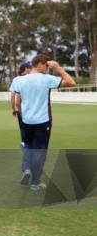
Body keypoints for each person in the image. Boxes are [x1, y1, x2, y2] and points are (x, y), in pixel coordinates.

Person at [13, 54, 75, 190]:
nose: (48, 68)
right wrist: (58, 68)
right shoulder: (47, 79)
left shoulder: (19, 80)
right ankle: (35, 183)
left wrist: (23, 115)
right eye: (47, 65)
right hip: (42, 121)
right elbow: (71, 82)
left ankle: (27, 169)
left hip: (26, 120)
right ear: (40, 64)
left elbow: (17, 101)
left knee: (27, 145)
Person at [9, 62, 32, 184]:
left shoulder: (16, 80)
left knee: (25, 140)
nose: (31, 70)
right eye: (30, 68)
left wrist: (14, 110)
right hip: (36, 114)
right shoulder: (33, 78)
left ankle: (27, 169)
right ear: (25, 69)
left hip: (22, 114)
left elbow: (13, 98)